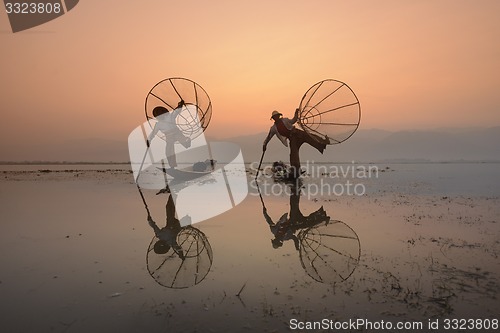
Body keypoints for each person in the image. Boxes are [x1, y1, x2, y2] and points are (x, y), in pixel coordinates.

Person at [262, 109, 329, 178]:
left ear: (279, 116)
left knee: (310, 137)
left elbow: (293, 120)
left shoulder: (285, 120)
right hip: (292, 138)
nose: (276, 118)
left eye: (277, 116)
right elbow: (268, 137)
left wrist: (296, 113)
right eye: (275, 117)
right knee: (293, 154)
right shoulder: (273, 128)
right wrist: (265, 144)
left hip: (297, 133)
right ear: (273, 118)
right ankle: (296, 169)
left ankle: (323, 142)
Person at [147, 100, 191, 168]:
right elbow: (153, 133)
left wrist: (180, 105)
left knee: (183, 140)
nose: (159, 117)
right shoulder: (158, 124)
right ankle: (172, 166)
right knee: (169, 152)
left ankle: (186, 142)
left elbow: (176, 112)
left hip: (176, 132)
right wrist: (149, 140)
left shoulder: (170, 117)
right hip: (169, 137)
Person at [147, 194, 185, 260]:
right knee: (171, 209)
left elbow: (154, 226)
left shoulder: (159, 235)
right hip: (176, 226)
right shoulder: (170, 242)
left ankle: (173, 194)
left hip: (170, 223)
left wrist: (149, 220)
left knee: (169, 207)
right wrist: (180, 254)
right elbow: (177, 248)